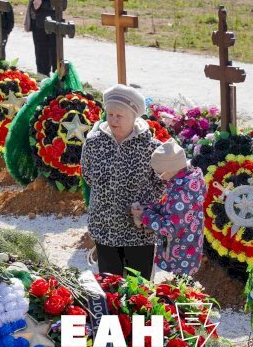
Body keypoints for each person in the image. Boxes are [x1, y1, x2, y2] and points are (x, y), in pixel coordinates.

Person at [80, 84, 165, 279]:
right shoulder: (93, 144)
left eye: (119, 116)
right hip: (104, 228)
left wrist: (145, 206)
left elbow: (162, 182)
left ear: (134, 117)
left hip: (139, 231)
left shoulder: (151, 147)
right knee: (110, 287)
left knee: (140, 288)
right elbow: (88, 174)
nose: (113, 120)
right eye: (110, 114)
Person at [131, 140, 206, 276]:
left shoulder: (181, 193)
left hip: (179, 257)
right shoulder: (186, 183)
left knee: (178, 286)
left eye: (159, 172)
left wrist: (144, 216)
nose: (159, 177)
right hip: (187, 252)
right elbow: (172, 210)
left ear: (170, 169)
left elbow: (170, 228)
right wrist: (148, 208)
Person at [27, 0, 56, 76]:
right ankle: (42, 75)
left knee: (53, 52)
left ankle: (56, 78)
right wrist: (35, 6)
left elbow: (58, 6)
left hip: (53, 26)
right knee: (40, 51)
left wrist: (42, 4)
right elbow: (33, 5)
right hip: (39, 25)